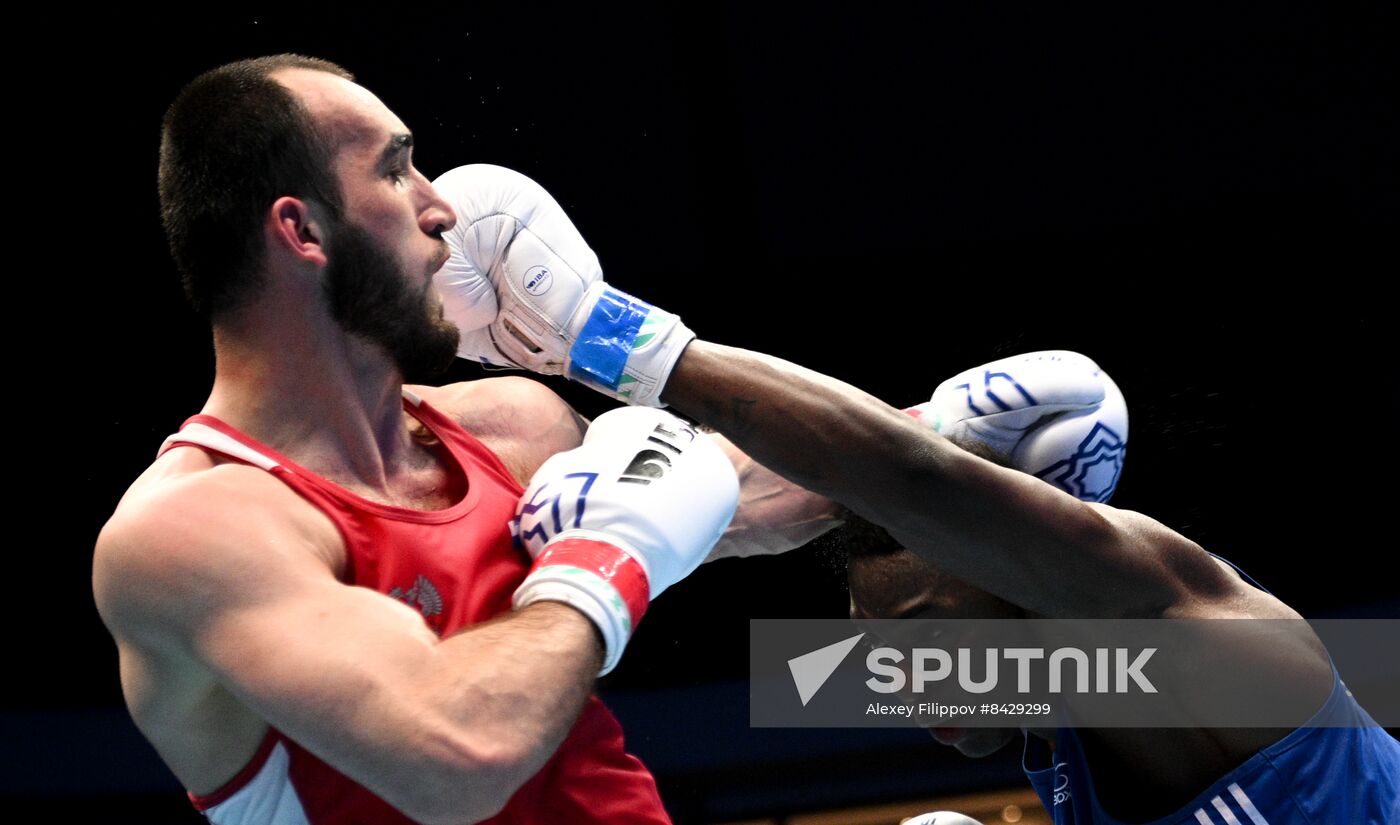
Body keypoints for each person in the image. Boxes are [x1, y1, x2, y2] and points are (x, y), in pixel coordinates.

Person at [432, 165, 1400, 824]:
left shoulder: (1205, 647)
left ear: (1022, 589)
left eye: (929, 645)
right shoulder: (1079, 711)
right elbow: (878, 487)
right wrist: (701, 519)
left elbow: (905, 482)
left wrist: (591, 334)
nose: (900, 682)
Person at [92, 55, 742, 825]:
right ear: (301, 228)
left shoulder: (508, 427)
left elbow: (774, 484)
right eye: (397, 170)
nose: (444, 208)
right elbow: (459, 759)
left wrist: (628, 345)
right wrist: (605, 560)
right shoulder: (189, 531)